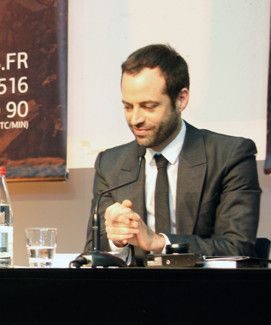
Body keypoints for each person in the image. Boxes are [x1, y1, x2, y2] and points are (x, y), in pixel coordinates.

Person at [86, 44, 261, 263]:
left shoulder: (230, 156)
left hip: (206, 293)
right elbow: (92, 254)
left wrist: (158, 242)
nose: (135, 119)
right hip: (133, 294)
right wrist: (118, 241)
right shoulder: (109, 164)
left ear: (181, 99)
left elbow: (238, 246)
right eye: (128, 106)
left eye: (149, 106)